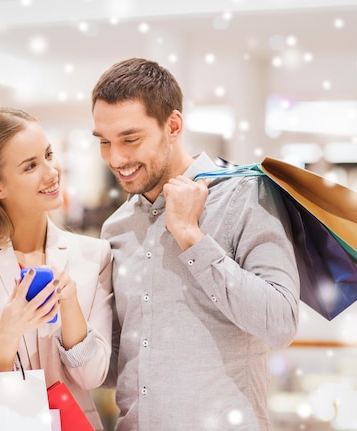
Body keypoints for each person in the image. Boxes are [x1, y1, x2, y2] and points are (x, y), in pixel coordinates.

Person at [91, 58, 300, 430]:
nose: (116, 158)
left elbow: (280, 323)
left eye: (130, 139)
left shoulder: (247, 195)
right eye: (105, 142)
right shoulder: (116, 228)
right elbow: (118, 365)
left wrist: (191, 236)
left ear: (173, 126)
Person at [0, 107, 113, 430]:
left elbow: (92, 376)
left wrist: (70, 305)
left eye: (48, 155)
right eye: (30, 166)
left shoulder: (94, 255)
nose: (51, 171)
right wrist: (11, 328)